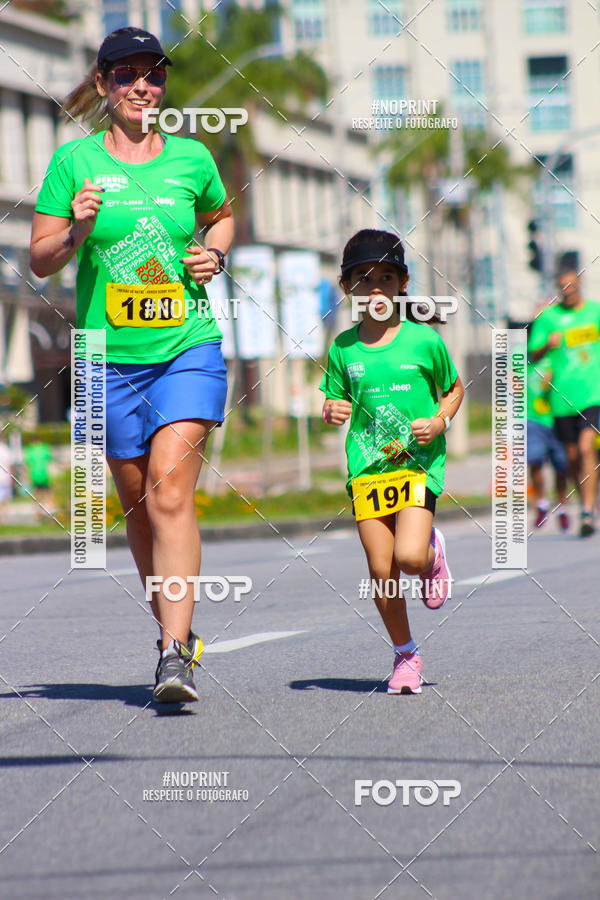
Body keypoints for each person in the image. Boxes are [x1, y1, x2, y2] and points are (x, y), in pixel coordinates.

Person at [30, 27, 235, 702]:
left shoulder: (192, 158)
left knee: (170, 490)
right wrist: (78, 229)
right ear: (102, 84)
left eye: (154, 74)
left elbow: (221, 215)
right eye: (126, 75)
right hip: (107, 359)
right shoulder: (74, 162)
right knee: (138, 506)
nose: (142, 86)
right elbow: (41, 258)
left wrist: (214, 253)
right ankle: (174, 632)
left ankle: (174, 655)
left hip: (186, 347)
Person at [320, 229, 464, 694]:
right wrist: (331, 409)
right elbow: (333, 400)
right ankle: (405, 654)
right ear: (347, 287)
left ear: (403, 283)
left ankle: (432, 555)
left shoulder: (424, 341)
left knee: (408, 557)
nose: (375, 288)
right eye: (363, 279)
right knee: (382, 571)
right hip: (367, 469)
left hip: (417, 464)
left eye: (386, 277)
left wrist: (440, 422)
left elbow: (454, 389)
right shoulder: (342, 348)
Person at [529, 268, 600, 537]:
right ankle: (586, 503)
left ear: (580, 284)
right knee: (571, 458)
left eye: (572, 286)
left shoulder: (595, 312)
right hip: (561, 400)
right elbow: (532, 355)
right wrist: (548, 345)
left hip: (592, 394)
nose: (568, 291)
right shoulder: (549, 318)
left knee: (586, 447)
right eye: (563, 287)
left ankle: (588, 511)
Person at [526, 352, 569, 531]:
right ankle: (541, 504)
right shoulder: (523, 358)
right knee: (534, 461)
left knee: (561, 465)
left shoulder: (555, 357)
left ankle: (562, 506)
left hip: (557, 418)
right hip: (532, 419)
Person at [24, 438, 53, 505]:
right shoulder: (44, 448)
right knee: (47, 490)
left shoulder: (30, 449)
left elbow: (28, 463)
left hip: (35, 474)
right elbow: (49, 459)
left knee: (37, 490)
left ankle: (38, 504)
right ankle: (49, 503)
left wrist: (27, 475)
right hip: (44, 473)